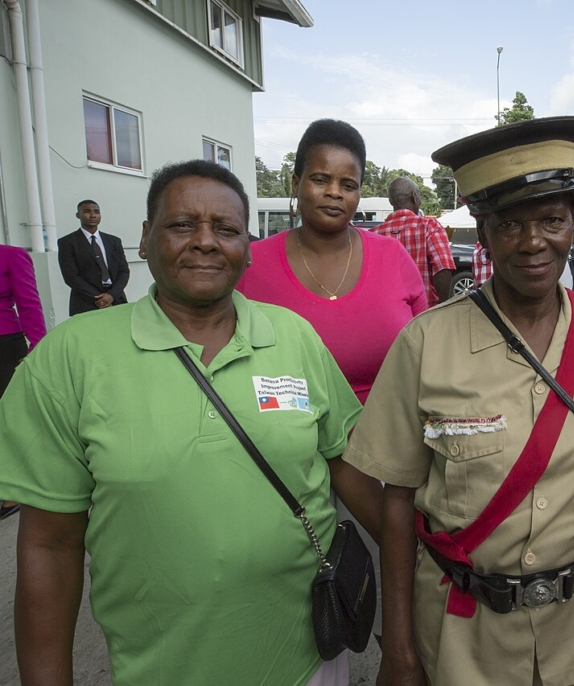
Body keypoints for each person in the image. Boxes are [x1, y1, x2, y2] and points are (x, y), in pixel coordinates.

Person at [0, 160, 376, 685]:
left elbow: (352, 471)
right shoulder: (71, 356)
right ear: (145, 238)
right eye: (182, 225)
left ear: (247, 247)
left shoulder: (294, 337)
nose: (205, 242)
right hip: (155, 671)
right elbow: (49, 545)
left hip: (311, 661)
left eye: (226, 229)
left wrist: (421, 572)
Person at [345, 116, 574, 686]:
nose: (534, 241)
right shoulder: (424, 343)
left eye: (552, 220)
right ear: (482, 235)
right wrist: (401, 651)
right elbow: (396, 502)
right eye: (510, 224)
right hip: (466, 644)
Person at [237, 118, 425, 644]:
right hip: (288, 452)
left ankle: (399, 652)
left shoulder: (392, 258)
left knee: (400, 572)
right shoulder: (249, 265)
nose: (335, 193)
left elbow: (422, 355)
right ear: (295, 181)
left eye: (349, 183)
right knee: (298, 587)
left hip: (386, 450)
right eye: (321, 179)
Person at [0, 244, 46, 520]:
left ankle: (11, 493)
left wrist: (36, 349)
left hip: (5, 347)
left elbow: (29, 302)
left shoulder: (11, 255)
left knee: (10, 418)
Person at [373, 176, 456, 306]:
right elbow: (443, 268)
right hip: (425, 317)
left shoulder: (373, 234)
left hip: (388, 316)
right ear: (415, 198)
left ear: (391, 201)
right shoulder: (429, 226)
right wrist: (446, 306)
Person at [57, 199, 130, 315]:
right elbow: (71, 276)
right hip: (86, 303)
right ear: (78, 215)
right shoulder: (67, 242)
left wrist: (111, 295)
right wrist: (99, 299)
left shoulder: (113, 241)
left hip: (116, 300)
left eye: (96, 212)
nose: (92, 215)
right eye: (87, 211)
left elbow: (124, 271)